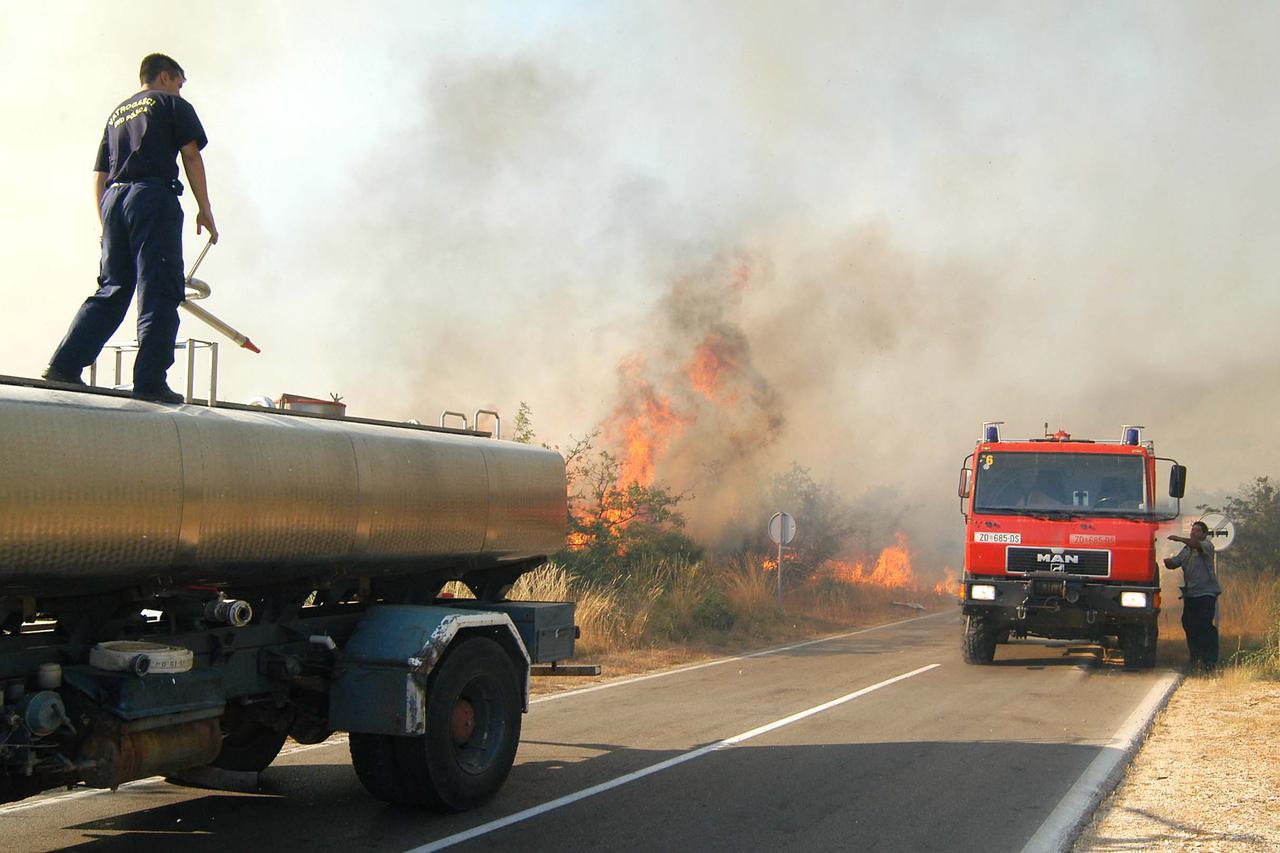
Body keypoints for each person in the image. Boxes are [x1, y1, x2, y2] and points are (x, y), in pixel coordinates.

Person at [43, 53, 218, 403]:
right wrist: (205, 209)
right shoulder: (171, 104)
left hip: (114, 201)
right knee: (160, 286)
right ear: (166, 77)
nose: (181, 91)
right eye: (180, 84)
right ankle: (150, 380)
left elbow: (99, 176)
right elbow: (191, 155)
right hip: (152, 197)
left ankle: (64, 366)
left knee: (113, 287)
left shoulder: (117, 114)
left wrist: (106, 222)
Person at [1163, 520, 1221, 670]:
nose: (1193, 532)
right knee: (1189, 625)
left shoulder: (1207, 545)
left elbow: (1196, 545)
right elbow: (1175, 562)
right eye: (1192, 530)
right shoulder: (1186, 550)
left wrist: (1179, 538)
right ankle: (1196, 657)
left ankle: (1210, 660)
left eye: (1197, 531)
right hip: (1191, 595)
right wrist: (1166, 561)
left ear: (1204, 534)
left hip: (1206, 594)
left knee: (1205, 625)